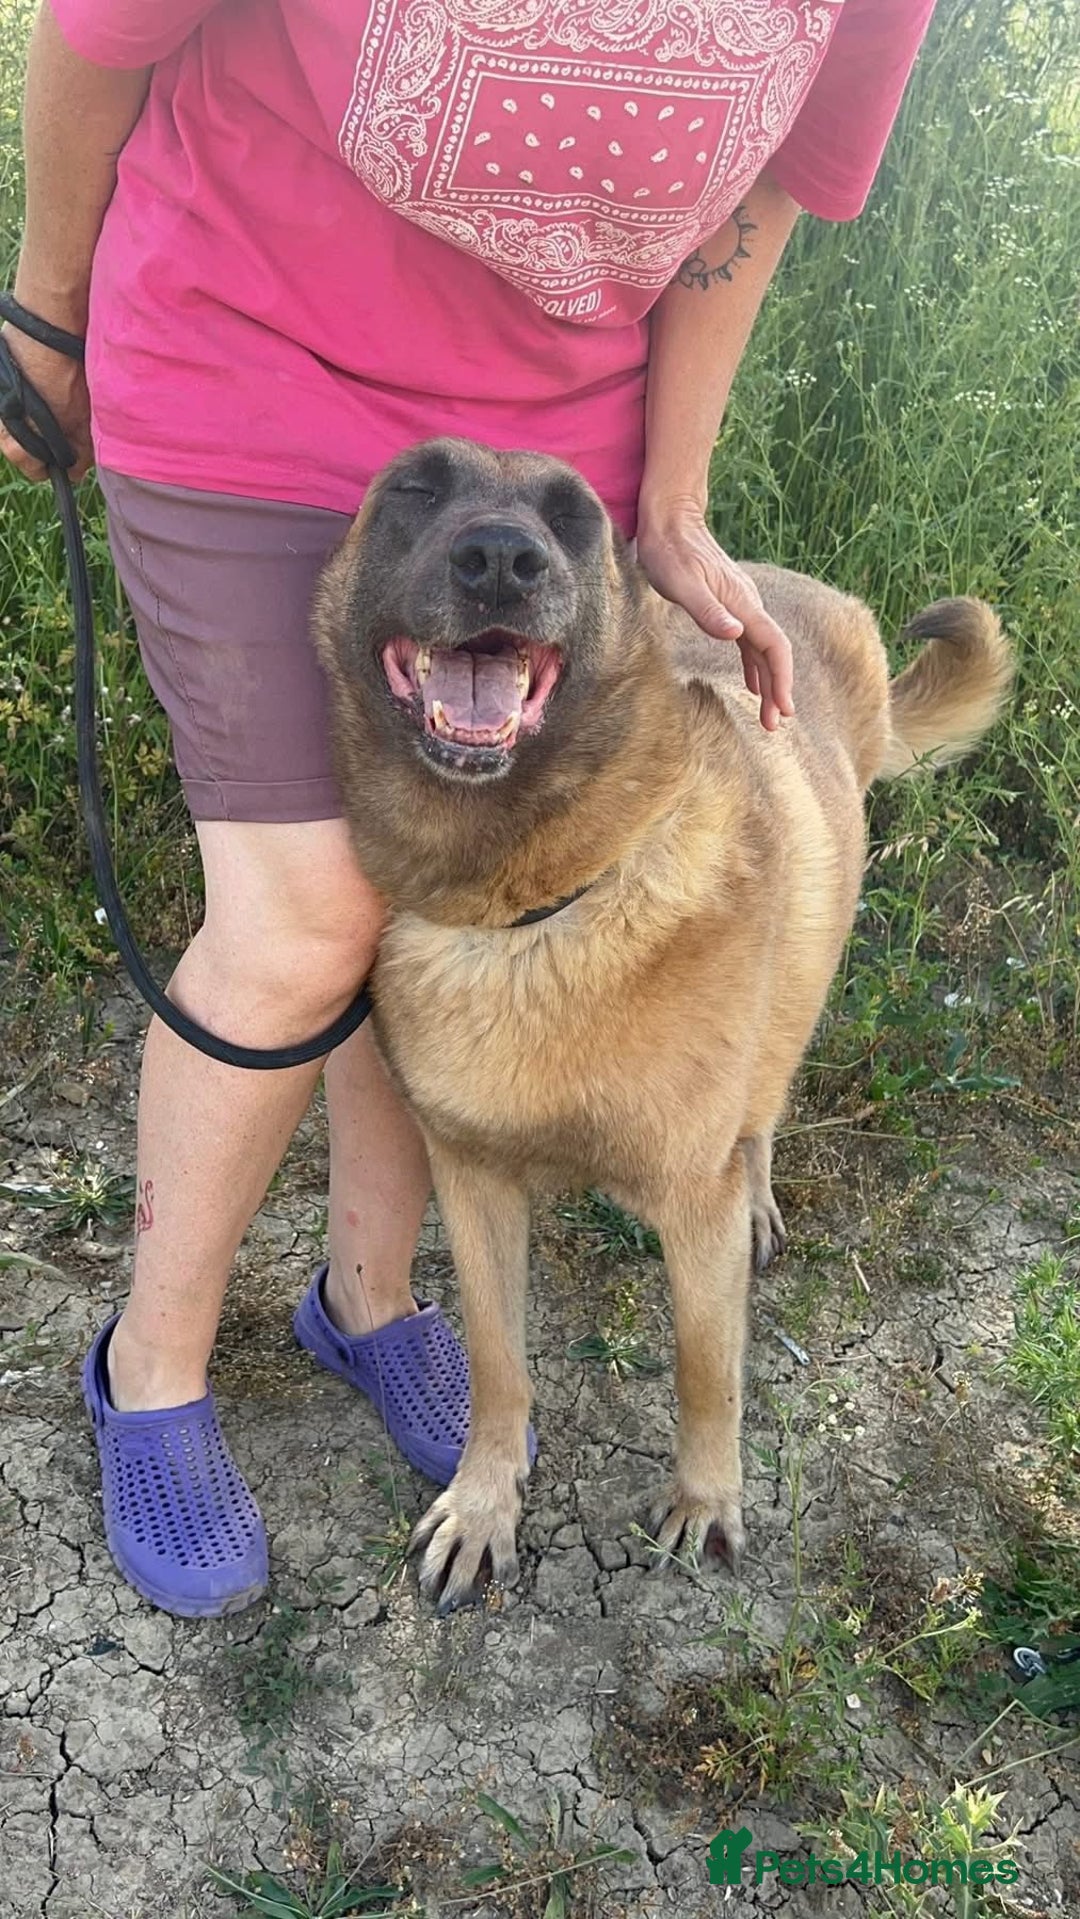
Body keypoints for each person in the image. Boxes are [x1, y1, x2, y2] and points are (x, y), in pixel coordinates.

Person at [1, 0, 935, 1618]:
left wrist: (673, 489)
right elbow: (101, 24)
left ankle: (365, 1302)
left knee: (461, 900)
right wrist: (47, 314)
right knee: (308, 921)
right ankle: (149, 1369)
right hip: (249, 354)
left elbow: (763, 185)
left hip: (547, 436)